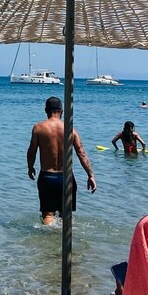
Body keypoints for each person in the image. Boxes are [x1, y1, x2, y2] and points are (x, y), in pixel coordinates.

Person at [27, 96, 96, 226]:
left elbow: (31, 152)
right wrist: (90, 175)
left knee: (48, 215)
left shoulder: (38, 128)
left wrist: (30, 167)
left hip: (47, 177)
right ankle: (64, 237)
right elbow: (81, 153)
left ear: (46, 110)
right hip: (67, 178)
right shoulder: (71, 129)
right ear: (61, 111)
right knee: (66, 215)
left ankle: (49, 237)